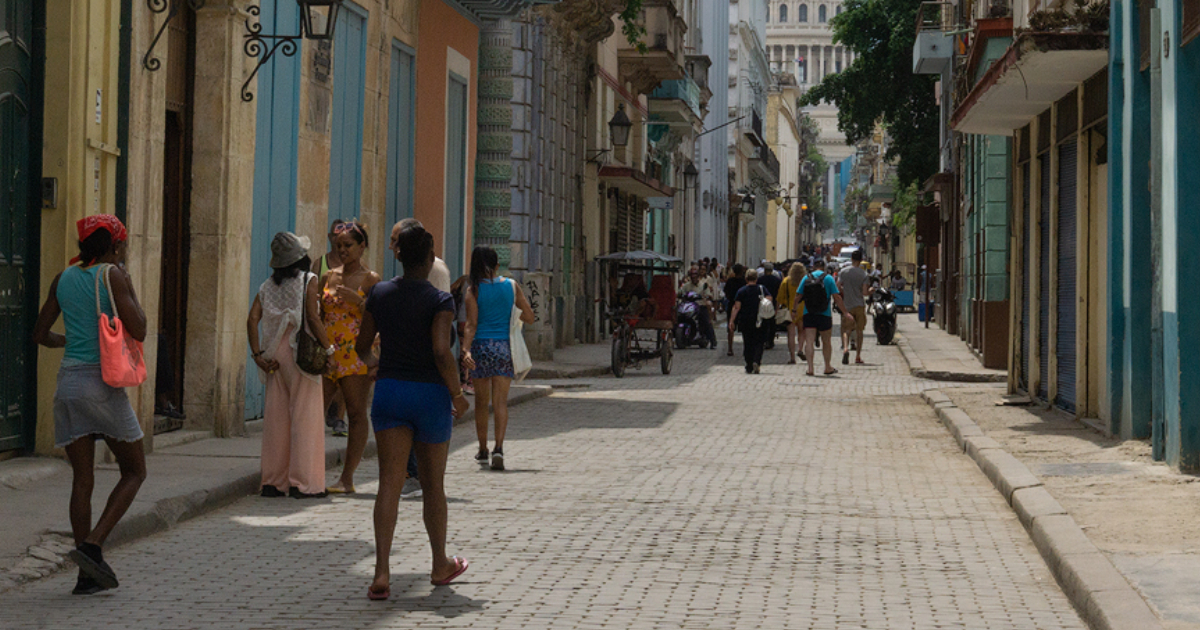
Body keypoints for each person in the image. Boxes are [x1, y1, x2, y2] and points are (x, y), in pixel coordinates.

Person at [32, 215, 148, 595]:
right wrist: (127, 280)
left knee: (82, 479)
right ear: (113, 245)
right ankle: (93, 545)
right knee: (134, 470)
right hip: (102, 384)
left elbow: (39, 333)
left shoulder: (63, 278)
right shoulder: (111, 276)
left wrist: (70, 342)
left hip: (68, 383)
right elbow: (141, 327)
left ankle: (86, 576)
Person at [355, 222, 471, 600]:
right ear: (430, 257)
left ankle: (382, 572)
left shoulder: (379, 293)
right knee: (433, 484)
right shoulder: (440, 300)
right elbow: (441, 351)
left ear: (399, 255)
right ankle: (440, 563)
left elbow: (361, 347)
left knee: (389, 480)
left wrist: (376, 364)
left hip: (390, 392)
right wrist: (457, 393)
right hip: (430, 396)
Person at [247, 232, 332, 500]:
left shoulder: (266, 286)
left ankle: (273, 482)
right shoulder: (309, 280)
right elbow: (313, 319)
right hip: (300, 354)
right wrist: (329, 349)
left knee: (276, 419)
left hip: (274, 355)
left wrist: (257, 354)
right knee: (306, 417)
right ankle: (304, 483)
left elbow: (252, 320)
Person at [392, 218, 453, 501]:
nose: (393, 247)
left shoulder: (434, 272)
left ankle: (416, 476)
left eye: (396, 241)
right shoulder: (394, 285)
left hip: (422, 363)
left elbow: (437, 332)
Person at [321, 221, 381, 494]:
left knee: (356, 414)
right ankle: (309, 472)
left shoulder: (371, 279)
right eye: (339, 245)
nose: (342, 250)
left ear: (362, 246)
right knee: (314, 413)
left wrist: (359, 302)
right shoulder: (328, 276)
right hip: (328, 354)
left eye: (348, 245)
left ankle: (347, 478)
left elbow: (380, 316)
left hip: (356, 354)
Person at [462, 246, 535, 471]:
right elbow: (530, 317)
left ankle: (483, 449)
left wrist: (465, 351)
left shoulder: (472, 290)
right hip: (504, 348)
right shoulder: (511, 286)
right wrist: (513, 314)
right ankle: (499, 448)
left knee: (481, 404)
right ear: (496, 265)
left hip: (481, 348)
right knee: (500, 402)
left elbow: (471, 325)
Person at [313, 219, 346, 429]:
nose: (339, 243)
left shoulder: (358, 270)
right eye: (335, 237)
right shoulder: (320, 264)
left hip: (347, 331)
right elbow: (313, 294)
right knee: (325, 378)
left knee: (344, 380)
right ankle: (320, 418)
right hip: (326, 328)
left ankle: (339, 418)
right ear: (329, 238)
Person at [795, 258, 853, 376]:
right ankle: (827, 367)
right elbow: (837, 297)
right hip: (824, 314)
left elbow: (798, 296)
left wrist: (793, 310)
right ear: (824, 267)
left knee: (809, 341)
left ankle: (810, 368)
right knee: (826, 341)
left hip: (809, 313)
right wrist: (845, 312)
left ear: (813, 267)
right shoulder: (828, 278)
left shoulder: (806, 278)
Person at [728, 269, 769, 374]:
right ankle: (756, 361)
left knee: (748, 342)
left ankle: (749, 364)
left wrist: (732, 321)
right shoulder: (762, 289)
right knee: (759, 342)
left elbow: (736, 307)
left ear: (746, 279)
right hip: (760, 319)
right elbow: (769, 299)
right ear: (756, 279)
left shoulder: (741, 291)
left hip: (745, 320)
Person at [837, 250, 872, 366]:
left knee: (846, 330)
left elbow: (837, 287)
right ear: (861, 260)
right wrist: (871, 291)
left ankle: (846, 348)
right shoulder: (864, 274)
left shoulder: (843, 272)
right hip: (859, 305)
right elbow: (865, 292)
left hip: (847, 306)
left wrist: (844, 292)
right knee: (859, 331)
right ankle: (858, 356)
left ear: (851, 259)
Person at [679, 265, 718, 349]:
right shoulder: (686, 286)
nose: (693, 277)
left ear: (698, 276)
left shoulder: (703, 285)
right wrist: (679, 295)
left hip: (699, 305)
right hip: (688, 306)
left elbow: (709, 294)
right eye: (691, 275)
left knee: (706, 320)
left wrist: (706, 296)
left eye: (695, 275)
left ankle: (712, 340)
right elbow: (680, 292)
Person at [777, 262, 807, 364]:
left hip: (790, 309)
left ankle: (792, 357)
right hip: (802, 308)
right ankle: (800, 349)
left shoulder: (786, 281)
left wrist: (777, 310)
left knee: (791, 334)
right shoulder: (805, 280)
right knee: (802, 331)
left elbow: (780, 298)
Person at [722, 264, 747, 355]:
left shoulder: (730, 281)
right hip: (743, 307)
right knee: (745, 329)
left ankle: (730, 348)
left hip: (732, 305)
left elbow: (726, 292)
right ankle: (746, 348)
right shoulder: (744, 282)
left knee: (731, 328)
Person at [758, 262, 782, 349]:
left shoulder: (760, 280)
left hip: (762, 303)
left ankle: (763, 340)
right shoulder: (777, 280)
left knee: (763, 322)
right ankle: (770, 341)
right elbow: (779, 293)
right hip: (773, 303)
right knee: (772, 323)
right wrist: (778, 306)